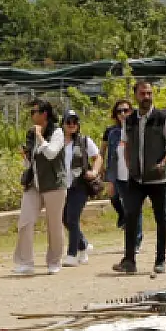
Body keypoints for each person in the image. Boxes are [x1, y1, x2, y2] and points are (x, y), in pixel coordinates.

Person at [114, 79, 166, 276]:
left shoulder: (162, 118)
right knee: (130, 215)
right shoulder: (129, 120)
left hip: (157, 179)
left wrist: (162, 164)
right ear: (136, 95)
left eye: (149, 93)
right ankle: (129, 261)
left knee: (161, 218)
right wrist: (129, 166)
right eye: (143, 94)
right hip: (136, 179)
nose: (146, 97)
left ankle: (160, 260)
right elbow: (125, 145)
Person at [11, 100, 68, 275]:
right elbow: (32, 161)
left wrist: (41, 137)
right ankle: (26, 262)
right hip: (34, 184)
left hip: (54, 185)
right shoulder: (31, 134)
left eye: (34, 112)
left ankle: (54, 260)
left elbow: (51, 153)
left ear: (44, 114)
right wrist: (25, 156)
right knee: (25, 221)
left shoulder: (57, 132)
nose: (31, 115)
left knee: (54, 224)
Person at [59, 111, 102, 266]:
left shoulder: (84, 141)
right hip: (62, 186)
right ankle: (83, 245)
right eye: (68, 121)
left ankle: (71, 254)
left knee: (72, 217)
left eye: (75, 122)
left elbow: (97, 157)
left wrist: (95, 171)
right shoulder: (57, 141)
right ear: (62, 124)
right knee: (64, 219)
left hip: (80, 185)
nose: (71, 125)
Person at [103, 98, 133, 236]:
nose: (122, 113)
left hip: (133, 173)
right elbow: (104, 151)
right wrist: (102, 168)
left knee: (132, 207)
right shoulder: (111, 131)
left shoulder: (136, 129)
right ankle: (123, 216)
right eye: (119, 111)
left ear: (131, 112)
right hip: (115, 172)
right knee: (114, 197)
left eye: (125, 110)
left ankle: (135, 239)